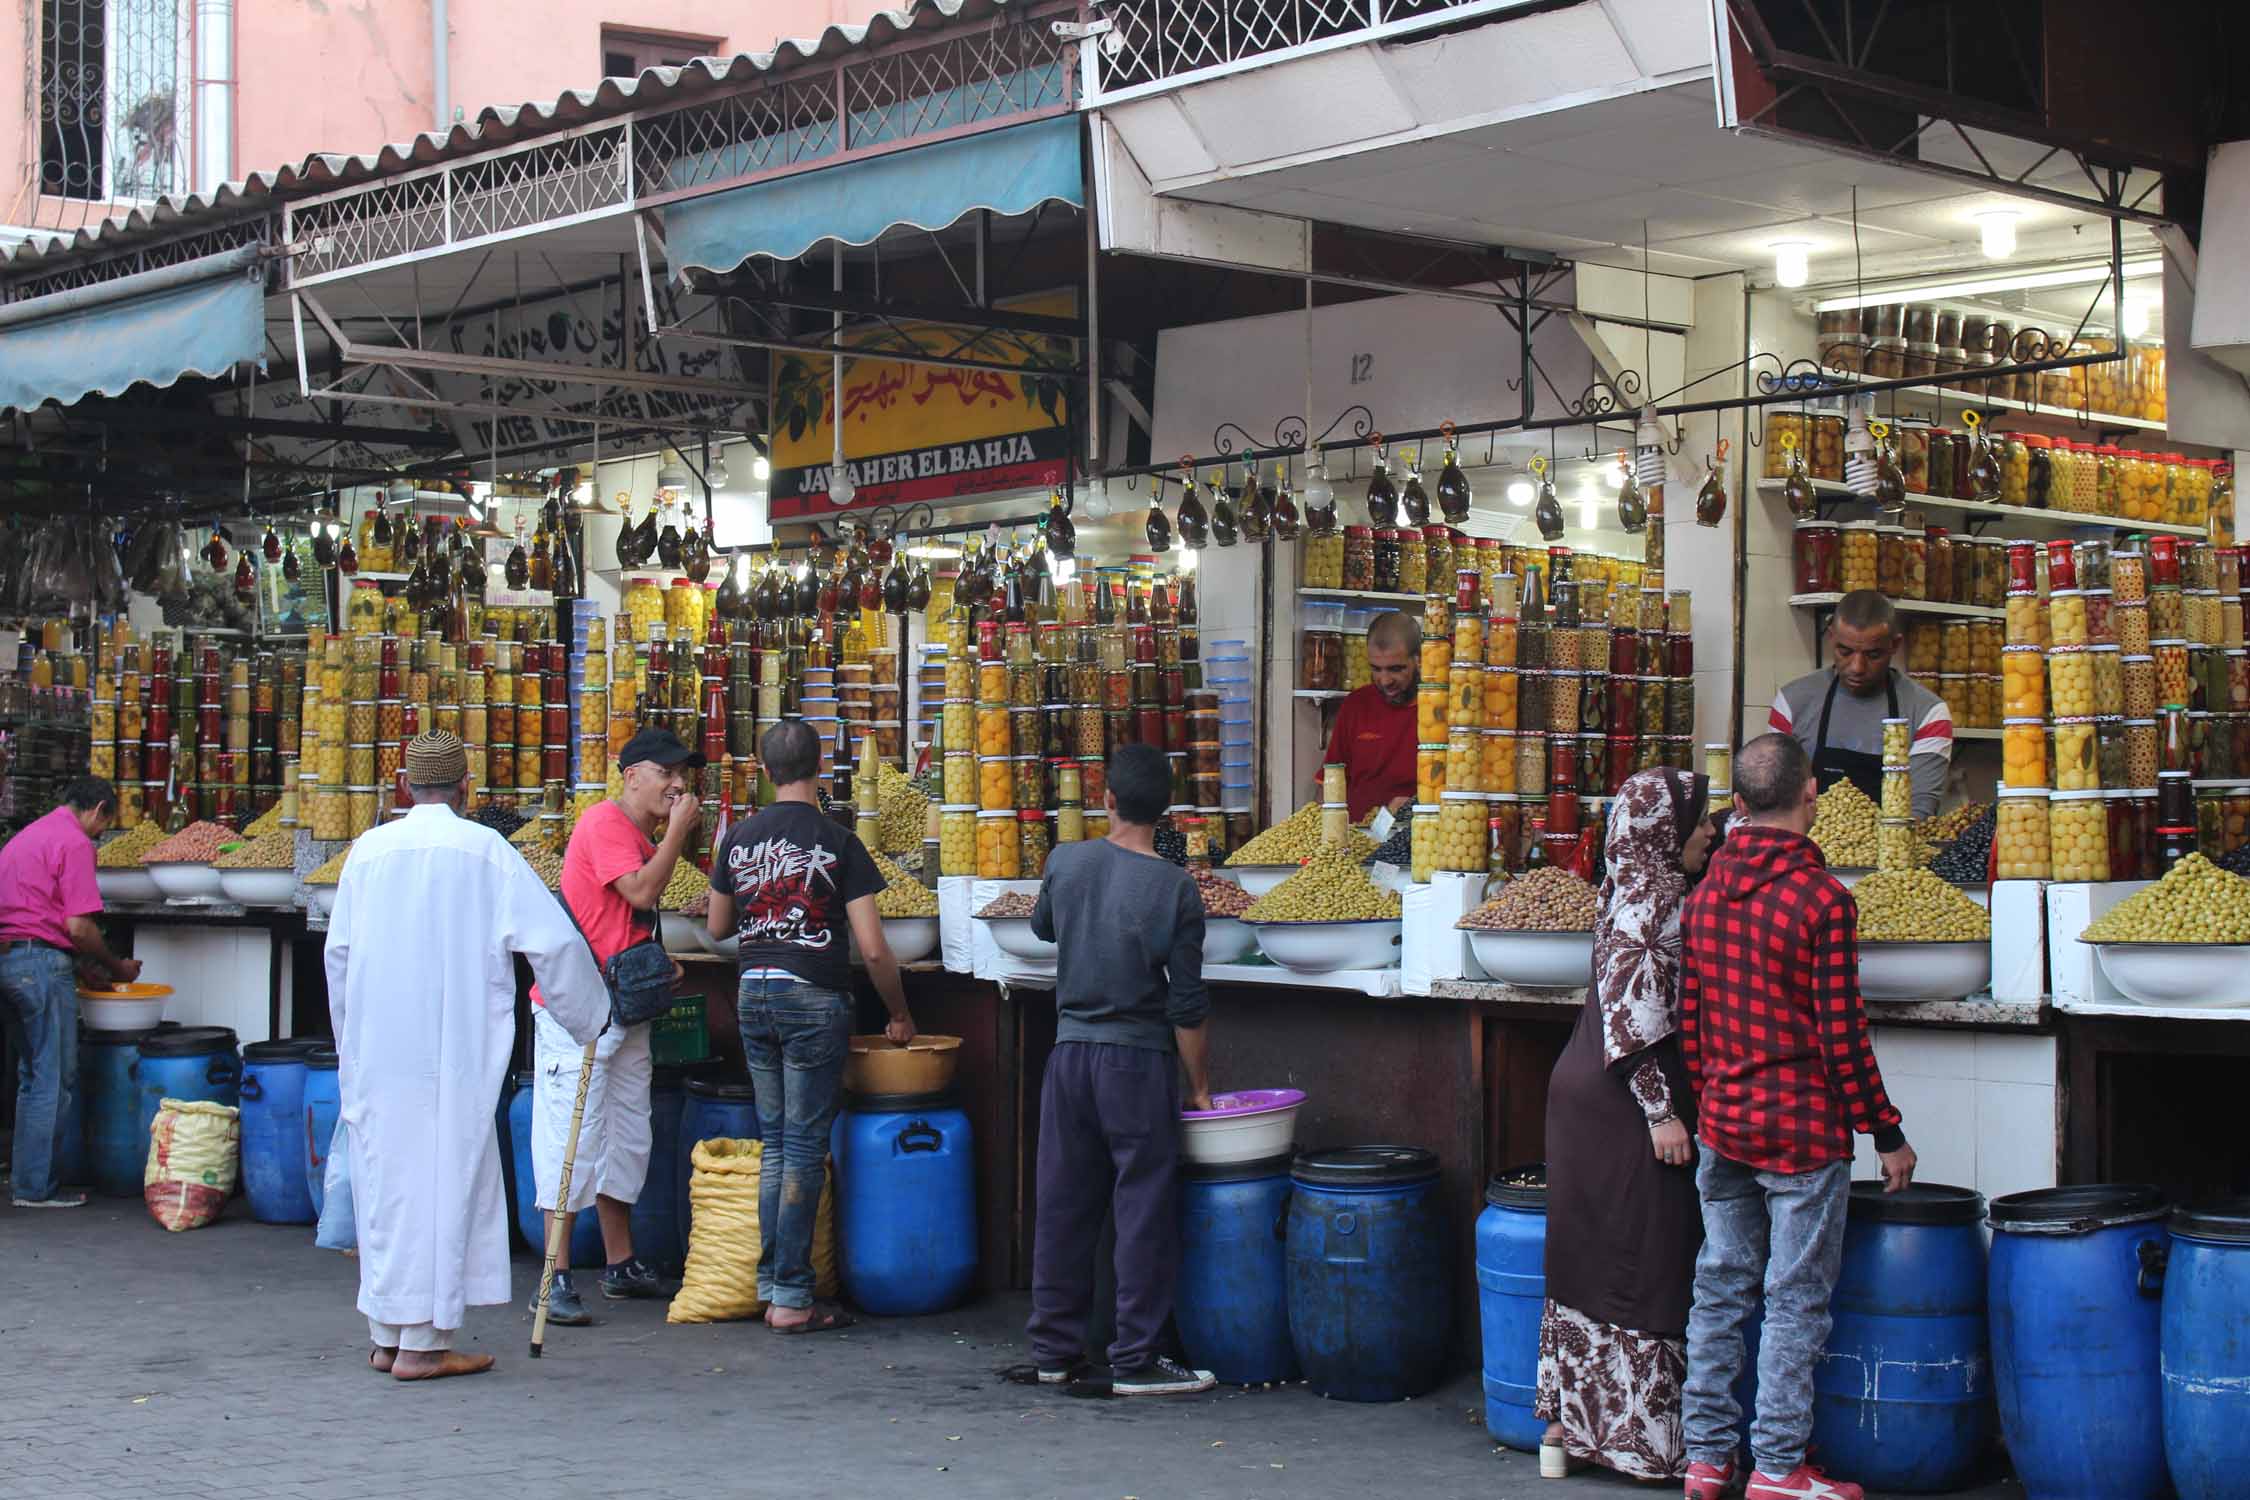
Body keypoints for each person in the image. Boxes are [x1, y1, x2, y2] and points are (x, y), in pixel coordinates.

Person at [324, 732, 608, 1382]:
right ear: (465, 787)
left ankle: (388, 1335)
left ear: (403, 785)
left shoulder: (367, 854)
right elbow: (556, 945)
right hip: (450, 1054)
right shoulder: (486, 852)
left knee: (386, 1184)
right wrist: (589, 1015)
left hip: (378, 1050)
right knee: (439, 1184)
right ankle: (422, 1346)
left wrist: (351, 1042)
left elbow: (338, 959)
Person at [1677, 734, 1916, 1500]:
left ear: (1739, 807)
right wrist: (1886, 1132)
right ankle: (1778, 1467)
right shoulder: (1823, 901)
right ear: (1812, 792)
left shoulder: (1705, 894)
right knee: (1794, 1300)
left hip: (1725, 1126)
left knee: (1719, 1290)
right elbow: (1841, 1035)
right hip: (1802, 1133)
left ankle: (1707, 1460)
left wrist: (1715, 1095)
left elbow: (1691, 1020)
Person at [1535, 767, 1720, 1482]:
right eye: (1699, 819)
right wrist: (1662, 1113)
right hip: (1624, 1106)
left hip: (1582, 1097)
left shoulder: (1623, 886)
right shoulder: (1660, 901)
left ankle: (1566, 1428)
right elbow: (1631, 1016)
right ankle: (1641, 1445)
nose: (1710, 831)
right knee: (1647, 1259)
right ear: (1665, 832)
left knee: (1585, 1258)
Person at [707, 718, 913, 1334]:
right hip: (813, 996)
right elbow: (874, 948)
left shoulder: (738, 839)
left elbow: (717, 927)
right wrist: (899, 1012)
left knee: (776, 1143)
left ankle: (774, 1285)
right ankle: (792, 1298)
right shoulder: (838, 839)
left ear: (765, 772)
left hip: (752, 993)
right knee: (802, 1146)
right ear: (819, 768)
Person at [1025, 742, 1216, 1397]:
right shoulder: (1175, 888)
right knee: (1142, 1207)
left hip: (1068, 1057)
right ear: (1166, 812)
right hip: (1137, 1063)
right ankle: (1134, 1358)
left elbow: (1045, 927)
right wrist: (1198, 1087)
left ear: (1106, 799)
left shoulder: (1065, 862)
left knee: (1062, 1204)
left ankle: (1053, 1348)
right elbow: (1187, 1007)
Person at [528, 727, 702, 1326]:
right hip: (578, 1009)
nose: (678, 785)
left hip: (624, 1008)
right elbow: (641, 890)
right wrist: (679, 832)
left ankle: (620, 1263)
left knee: (626, 1132)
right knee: (571, 1136)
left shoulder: (638, 833)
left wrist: (656, 962)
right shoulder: (604, 823)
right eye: (667, 773)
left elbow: (623, 920)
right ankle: (554, 1276)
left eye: (684, 775)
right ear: (632, 777)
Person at [0, 776, 139, 1209]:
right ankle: (35, 1188)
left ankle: (25, 1180)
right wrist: (115, 966)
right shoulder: (76, 843)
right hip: (39, 966)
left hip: (10, 960)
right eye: (105, 825)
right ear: (98, 810)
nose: (101, 835)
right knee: (52, 1078)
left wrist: (80, 967)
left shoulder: (27, 837)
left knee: (32, 1074)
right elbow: (78, 926)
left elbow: (35, 916)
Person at [1767, 589, 1951, 817]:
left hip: (1892, 849)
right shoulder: (1791, 704)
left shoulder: (1928, 713)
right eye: (1845, 652)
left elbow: (1919, 811)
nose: (1857, 667)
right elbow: (1778, 801)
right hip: (1805, 849)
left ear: (1895, 645)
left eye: (1873, 655)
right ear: (1831, 636)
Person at [1316, 609, 1419, 820]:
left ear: (1420, 659)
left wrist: (1417, 804)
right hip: (1355, 841)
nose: (1385, 680)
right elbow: (1330, 782)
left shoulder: (1443, 709)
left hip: (1418, 841)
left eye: (1396, 669)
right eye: (1376, 669)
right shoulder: (1355, 705)